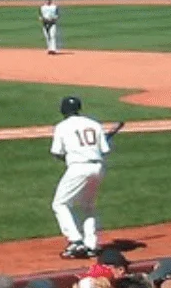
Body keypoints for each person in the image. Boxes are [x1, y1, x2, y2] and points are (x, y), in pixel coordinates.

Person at [51, 95, 120, 259]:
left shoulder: (62, 126)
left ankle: (75, 241)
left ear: (63, 110)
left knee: (60, 204)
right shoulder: (94, 124)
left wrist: (68, 157)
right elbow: (104, 150)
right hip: (97, 167)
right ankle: (92, 244)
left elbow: (56, 152)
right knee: (88, 205)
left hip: (78, 168)